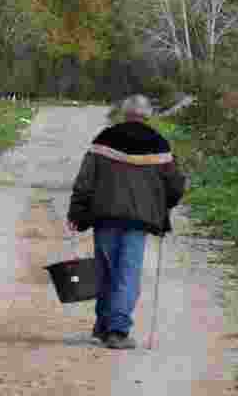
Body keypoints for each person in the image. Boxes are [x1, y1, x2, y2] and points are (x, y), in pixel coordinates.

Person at [66, 94, 186, 350]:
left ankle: (102, 326)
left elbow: (85, 180)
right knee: (127, 274)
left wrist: (77, 212)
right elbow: (175, 185)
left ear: (124, 114)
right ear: (147, 116)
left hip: (105, 217)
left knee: (105, 271)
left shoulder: (104, 140)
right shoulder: (159, 144)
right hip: (139, 221)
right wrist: (164, 206)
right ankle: (118, 331)